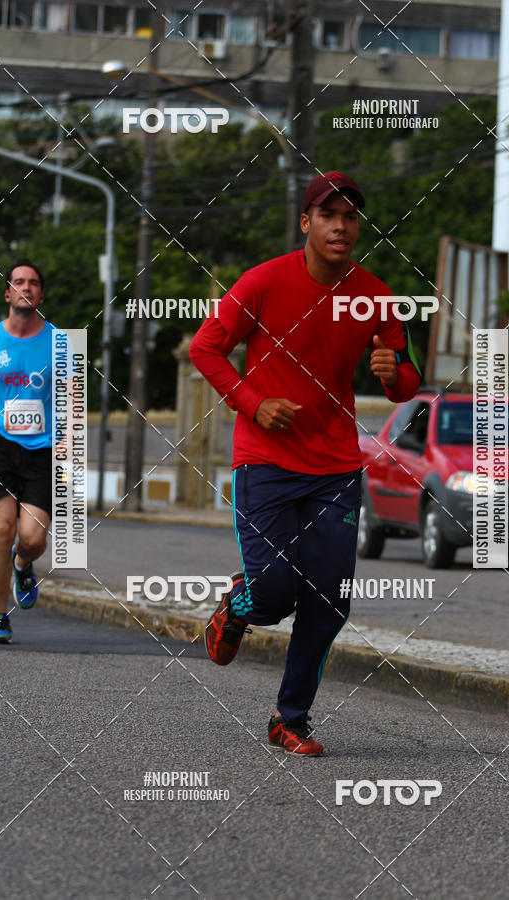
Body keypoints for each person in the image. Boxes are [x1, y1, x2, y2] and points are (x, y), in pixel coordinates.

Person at [189, 172, 421, 755]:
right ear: (306, 223)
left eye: (350, 216)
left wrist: (397, 378)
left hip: (336, 464)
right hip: (265, 459)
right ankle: (239, 604)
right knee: (272, 592)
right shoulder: (263, 283)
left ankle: (289, 719)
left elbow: (406, 378)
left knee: (330, 597)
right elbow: (205, 348)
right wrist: (253, 402)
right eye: (328, 215)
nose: (341, 225)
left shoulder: (375, 294)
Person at [0, 260, 55, 643]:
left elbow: (74, 402)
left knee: (31, 538)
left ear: (41, 295)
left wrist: (71, 456)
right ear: (8, 292)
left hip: (43, 451)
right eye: (19, 282)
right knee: (2, 530)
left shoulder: (62, 343)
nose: (26, 287)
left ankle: (24, 564)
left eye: (34, 283)